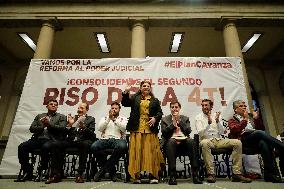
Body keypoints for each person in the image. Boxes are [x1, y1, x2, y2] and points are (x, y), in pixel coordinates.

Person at [195, 99, 251, 183]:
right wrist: (208, 123)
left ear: (211, 106)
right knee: (204, 143)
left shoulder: (217, 116)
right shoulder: (198, 117)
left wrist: (217, 121)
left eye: (206, 105)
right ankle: (211, 174)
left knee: (237, 143)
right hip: (206, 140)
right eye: (202, 105)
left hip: (218, 140)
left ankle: (236, 173)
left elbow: (222, 131)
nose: (204, 107)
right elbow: (200, 133)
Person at [228, 100, 284, 183]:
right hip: (243, 143)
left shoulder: (251, 117)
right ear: (235, 109)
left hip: (255, 142)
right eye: (241, 106)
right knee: (258, 133)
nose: (244, 107)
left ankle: (270, 175)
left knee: (264, 143)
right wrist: (245, 120)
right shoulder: (232, 120)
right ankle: (281, 146)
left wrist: (256, 119)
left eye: (245, 106)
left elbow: (262, 130)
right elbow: (234, 130)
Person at [121, 81, 164, 184]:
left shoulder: (155, 100)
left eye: (148, 86)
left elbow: (160, 113)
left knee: (151, 153)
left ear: (150, 89)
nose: (146, 87)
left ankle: (153, 176)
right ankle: (136, 177)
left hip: (150, 130)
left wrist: (155, 118)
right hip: (137, 129)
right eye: (144, 86)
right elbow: (125, 103)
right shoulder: (135, 98)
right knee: (137, 153)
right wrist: (126, 92)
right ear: (140, 88)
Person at [16, 99, 66, 182]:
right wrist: (42, 126)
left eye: (55, 105)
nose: (53, 105)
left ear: (57, 107)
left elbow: (62, 129)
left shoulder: (61, 117)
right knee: (22, 147)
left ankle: (42, 169)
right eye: (51, 104)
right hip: (37, 139)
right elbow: (32, 128)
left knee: (45, 147)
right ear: (47, 106)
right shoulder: (39, 116)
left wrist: (49, 124)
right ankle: (28, 171)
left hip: (51, 140)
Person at [45, 102, 96, 184]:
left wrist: (84, 128)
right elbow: (63, 134)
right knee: (55, 145)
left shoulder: (90, 119)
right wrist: (69, 125)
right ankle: (56, 174)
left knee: (85, 145)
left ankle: (80, 174)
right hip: (70, 141)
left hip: (82, 141)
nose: (79, 110)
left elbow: (92, 135)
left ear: (87, 110)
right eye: (79, 108)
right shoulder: (73, 118)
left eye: (82, 108)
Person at [161, 101, 202, 185]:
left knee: (191, 141)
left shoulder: (185, 118)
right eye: (172, 107)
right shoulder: (165, 119)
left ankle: (195, 174)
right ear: (170, 109)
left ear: (179, 108)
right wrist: (172, 124)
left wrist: (180, 121)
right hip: (171, 143)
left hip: (184, 143)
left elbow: (188, 131)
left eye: (176, 107)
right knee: (171, 142)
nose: (174, 109)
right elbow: (164, 133)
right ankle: (172, 175)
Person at [91, 102, 128, 182]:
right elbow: (100, 129)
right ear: (110, 109)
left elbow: (124, 128)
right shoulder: (105, 118)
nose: (114, 110)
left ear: (119, 110)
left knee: (123, 146)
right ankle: (112, 171)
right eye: (112, 108)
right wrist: (109, 119)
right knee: (94, 146)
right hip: (105, 139)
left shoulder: (123, 119)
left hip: (118, 140)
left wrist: (114, 120)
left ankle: (102, 171)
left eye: (116, 108)